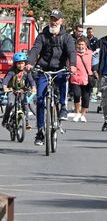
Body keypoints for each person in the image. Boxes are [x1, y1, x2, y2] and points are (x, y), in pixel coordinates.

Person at [26, 9, 77, 146]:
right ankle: (40, 132)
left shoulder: (66, 37)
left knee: (63, 81)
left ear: (61, 21)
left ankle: (63, 107)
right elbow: (35, 50)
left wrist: (72, 65)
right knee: (41, 101)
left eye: (56, 19)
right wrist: (30, 63)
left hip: (59, 69)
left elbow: (72, 51)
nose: (53, 22)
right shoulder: (43, 36)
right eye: (51, 19)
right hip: (44, 70)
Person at [2, 52, 36, 130]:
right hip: (12, 90)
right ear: (15, 64)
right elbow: (6, 79)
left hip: (22, 91)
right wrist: (5, 87)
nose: (20, 65)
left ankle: (26, 122)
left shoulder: (27, 72)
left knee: (25, 104)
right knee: (11, 103)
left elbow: (31, 80)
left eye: (22, 63)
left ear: (25, 63)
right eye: (18, 64)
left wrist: (33, 87)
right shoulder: (12, 71)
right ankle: (5, 120)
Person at [70, 36, 96, 122]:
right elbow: (68, 63)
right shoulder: (73, 54)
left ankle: (83, 114)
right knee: (77, 95)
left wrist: (95, 72)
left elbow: (94, 64)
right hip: (75, 78)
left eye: (82, 44)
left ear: (86, 45)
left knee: (86, 97)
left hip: (87, 78)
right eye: (79, 44)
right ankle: (77, 112)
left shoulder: (90, 53)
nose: (81, 46)